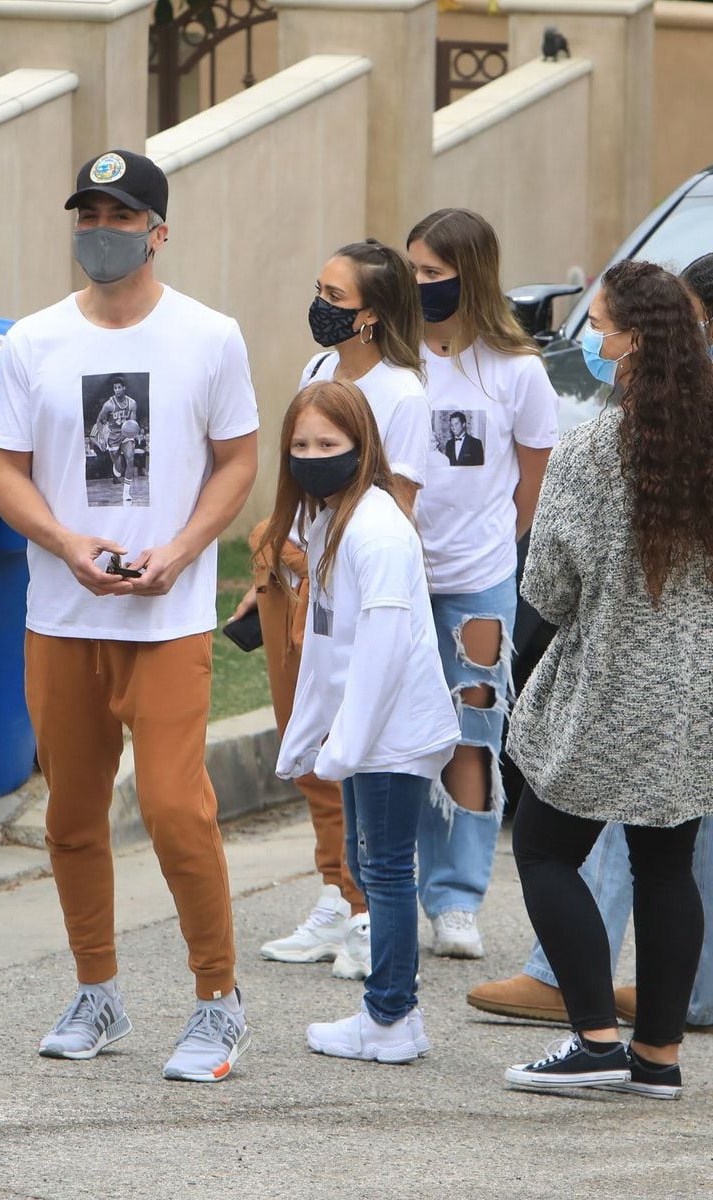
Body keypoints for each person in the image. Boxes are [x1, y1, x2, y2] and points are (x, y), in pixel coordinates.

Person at [0, 149, 259, 1082]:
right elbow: (5, 469)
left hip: (167, 615)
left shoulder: (210, 335)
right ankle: (97, 988)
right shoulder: (32, 341)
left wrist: (182, 550)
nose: (98, 232)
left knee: (174, 810)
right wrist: (68, 544)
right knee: (70, 814)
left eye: (118, 215)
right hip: (63, 614)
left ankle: (218, 999)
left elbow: (237, 458)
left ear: (157, 230)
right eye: (86, 214)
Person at [468, 253, 713, 1032]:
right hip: (692, 696)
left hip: (606, 689)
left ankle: (595, 1035)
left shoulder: (590, 451)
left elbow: (548, 592)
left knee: (542, 849)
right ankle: (657, 1059)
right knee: (667, 869)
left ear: (635, 341)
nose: (595, 342)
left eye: (601, 329)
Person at [230, 239, 430, 979]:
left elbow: (398, 510)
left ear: (371, 316)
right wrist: (272, 573)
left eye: (335, 297)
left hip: (355, 591)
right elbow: (299, 488)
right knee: (308, 739)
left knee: (362, 749)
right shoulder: (319, 370)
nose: (320, 305)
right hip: (296, 579)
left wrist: (325, 575)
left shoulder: (404, 393)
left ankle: (370, 912)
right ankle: (333, 895)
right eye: (319, 288)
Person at [271, 379, 460, 1061]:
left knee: (382, 870)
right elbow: (327, 647)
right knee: (368, 862)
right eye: (300, 444)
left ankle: (388, 1016)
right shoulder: (328, 522)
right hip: (367, 734)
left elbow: (380, 651)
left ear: (362, 448)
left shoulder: (375, 530)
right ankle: (394, 1014)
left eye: (329, 444)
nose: (313, 455)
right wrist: (303, 739)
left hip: (392, 736)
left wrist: (343, 749)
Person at [406, 209, 559, 958]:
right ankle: (374, 890)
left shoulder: (517, 370)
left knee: (472, 731)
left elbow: (533, 485)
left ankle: (457, 900)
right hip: (394, 580)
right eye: (412, 271)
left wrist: (491, 545)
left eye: (433, 273)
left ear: (473, 273)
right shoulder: (395, 357)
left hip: (479, 583)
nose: (419, 285)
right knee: (388, 730)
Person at [91, 376, 138, 504]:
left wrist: (133, 433)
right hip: (112, 437)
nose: (117, 390)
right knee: (118, 469)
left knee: (130, 458)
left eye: (119, 387)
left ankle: (126, 493)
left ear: (124, 388)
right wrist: (101, 437)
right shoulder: (108, 405)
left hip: (125, 434)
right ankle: (116, 466)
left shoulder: (132, 403)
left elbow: (132, 422)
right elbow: (99, 421)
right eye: (115, 388)